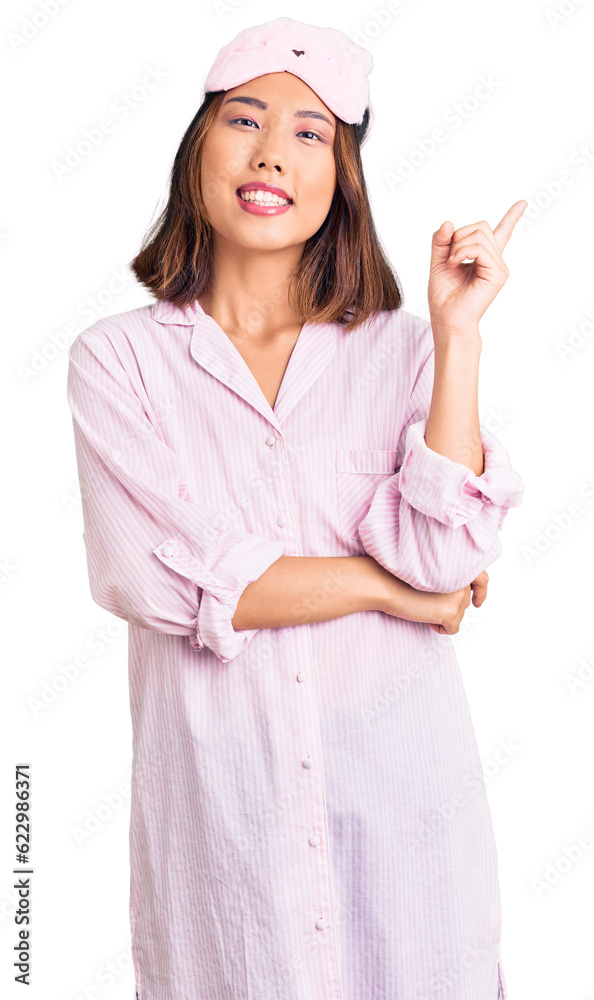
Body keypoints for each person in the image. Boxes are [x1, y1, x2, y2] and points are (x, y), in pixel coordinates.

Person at [66, 16, 525, 1000]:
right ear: (200, 148)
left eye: (312, 131)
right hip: (226, 844)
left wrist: (459, 335)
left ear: (343, 175)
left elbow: (444, 554)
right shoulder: (119, 363)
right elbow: (168, 579)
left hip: (409, 840)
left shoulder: (405, 352)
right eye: (245, 118)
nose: (272, 150)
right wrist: (390, 590)